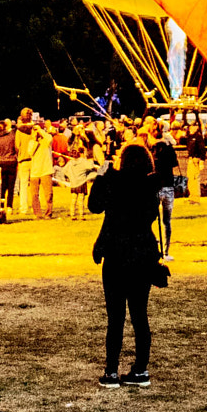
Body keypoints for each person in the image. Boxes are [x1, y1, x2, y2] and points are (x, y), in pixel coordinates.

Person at [88, 144, 160, 388]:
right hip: (143, 252)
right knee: (140, 314)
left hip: (117, 252)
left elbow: (95, 205)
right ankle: (140, 368)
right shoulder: (151, 184)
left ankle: (111, 371)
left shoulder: (114, 181)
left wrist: (101, 175)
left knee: (115, 316)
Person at [149, 122, 178, 257]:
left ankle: (153, 249)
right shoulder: (168, 149)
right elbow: (174, 164)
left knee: (148, 219)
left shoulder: (150, 150)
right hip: (167, 185)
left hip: (154, 186)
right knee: (166, 221)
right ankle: (165, 251)